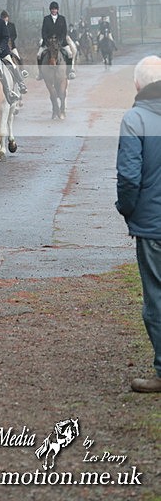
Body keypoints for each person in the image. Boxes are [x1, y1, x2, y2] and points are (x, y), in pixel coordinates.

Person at [116, 55, 161, 393]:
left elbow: (129, 179)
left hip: (152, 224)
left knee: (156, 299)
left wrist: (127, 210)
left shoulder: (134, 119)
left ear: (137, 84)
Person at [0, 0, 27, 98]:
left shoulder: (1, 22)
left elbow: (6, 37)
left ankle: (21, 83)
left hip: (2, 50)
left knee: (11, 64)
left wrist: (1, 49)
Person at [36, 1, 75, 80]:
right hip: (48, 42)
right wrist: (47, 42)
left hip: (61, 42)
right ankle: (40, 73)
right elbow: (43, 32)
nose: (54, 10)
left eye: (55, 9)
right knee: (39, 55)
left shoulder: (62, 19)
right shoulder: (46, 19)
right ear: (50, 10)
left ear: (57, 10)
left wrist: (60, 41)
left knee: (70, 54)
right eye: (52, 9)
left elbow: (64, 32)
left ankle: (69, 72)